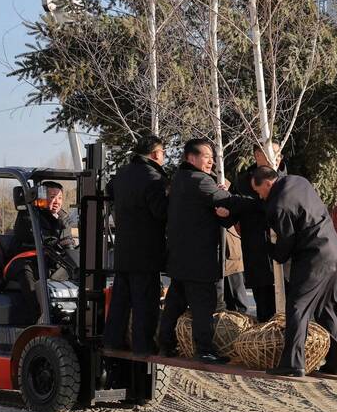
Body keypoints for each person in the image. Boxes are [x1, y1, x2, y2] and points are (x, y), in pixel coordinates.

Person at [250, 165, 337, 377]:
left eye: (259, 192)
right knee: (329, 310)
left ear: (268, 184)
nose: (260, 197)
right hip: (335, 252)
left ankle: (294, 364)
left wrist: (272, 251)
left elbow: (286, 242)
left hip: (314, 258)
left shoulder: (278, 205)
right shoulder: (299, 180)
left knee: (297, 308)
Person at [157, 138, 249, 364]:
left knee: (175, 305)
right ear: (191, 158)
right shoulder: (199, 181)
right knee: (202, 307)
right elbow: (227, 201)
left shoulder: (179, 178)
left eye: (212, 157)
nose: (210, 161)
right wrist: (258, 203)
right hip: (198, 260)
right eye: (205, 157)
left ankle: (164, 345)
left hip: (180, 257)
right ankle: (204, 350)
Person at [103, 135, 169, 355]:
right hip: (146, 251)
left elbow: (108, 191)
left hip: (124, 250)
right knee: (145, 303)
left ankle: (112, 340)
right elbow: (161, 212)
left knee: (121, 301)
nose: (164, 158)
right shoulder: (153, 178)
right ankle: (143, 345)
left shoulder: (122, 174)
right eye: (163, 153)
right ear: (155, 154)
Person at [230, 142, 286, 322]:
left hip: (284, 252)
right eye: (270, 153)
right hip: (257, 252)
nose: (275, 157)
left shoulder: (286, 179)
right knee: (264, 305)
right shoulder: (244, 182)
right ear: (257, 156)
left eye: (278, 153)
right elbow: (236, 208)